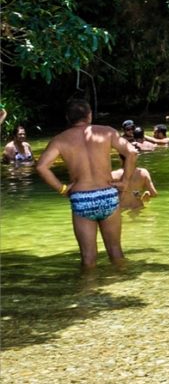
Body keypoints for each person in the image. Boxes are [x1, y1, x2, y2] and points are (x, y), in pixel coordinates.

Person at [36, 97, 137, 269]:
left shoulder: (60, 140)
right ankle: (125, 285)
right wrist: (125, 182)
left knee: (88, 257)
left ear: (68, 118)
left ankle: (87, 292)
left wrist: (63, 189)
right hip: (108, 194)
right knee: (115, 250)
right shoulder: (107, 132)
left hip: (81, 198)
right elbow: (132, 153)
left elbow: (41, 167)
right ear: (89, 116)